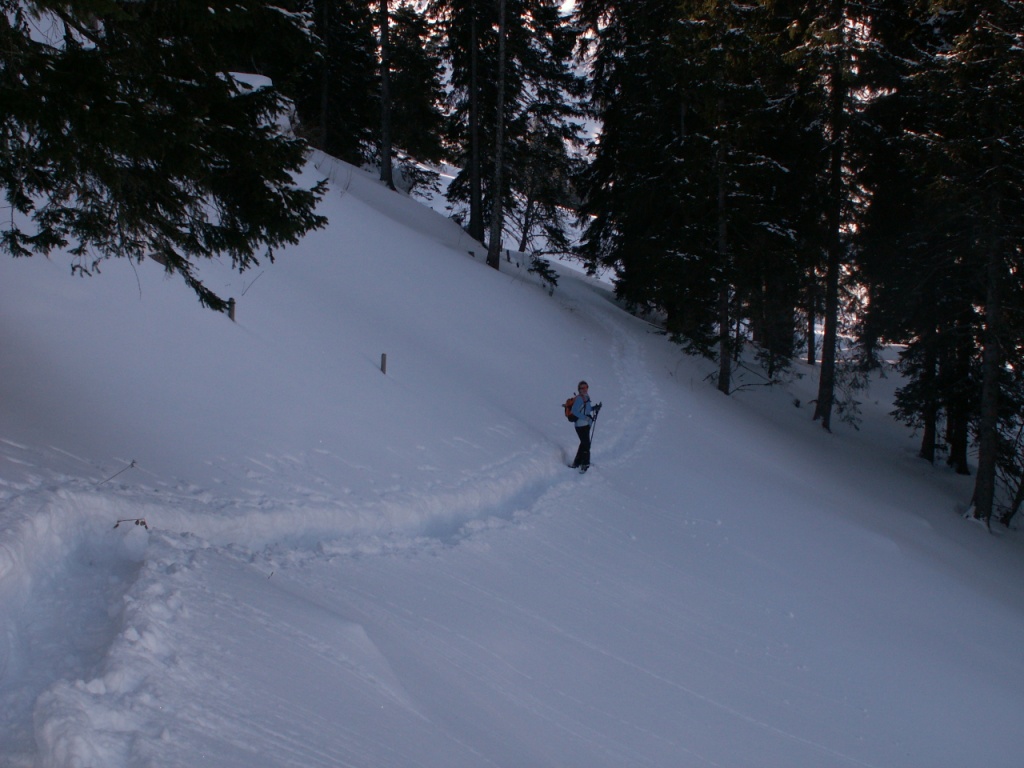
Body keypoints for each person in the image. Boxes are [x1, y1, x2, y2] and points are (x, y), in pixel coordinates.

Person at [570, 380, 601, 471]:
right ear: (579, 389)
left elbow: (586, 409)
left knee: (584, 444)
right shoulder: (579, 398)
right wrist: (585, 418)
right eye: (582, 388)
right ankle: (585, 464)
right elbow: (574, 411)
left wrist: (594, 408)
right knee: (586, 444)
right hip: (580, 425)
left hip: (586, 425)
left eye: (586, 387)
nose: (585, 389)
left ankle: (577, 463)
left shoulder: (586, 397)